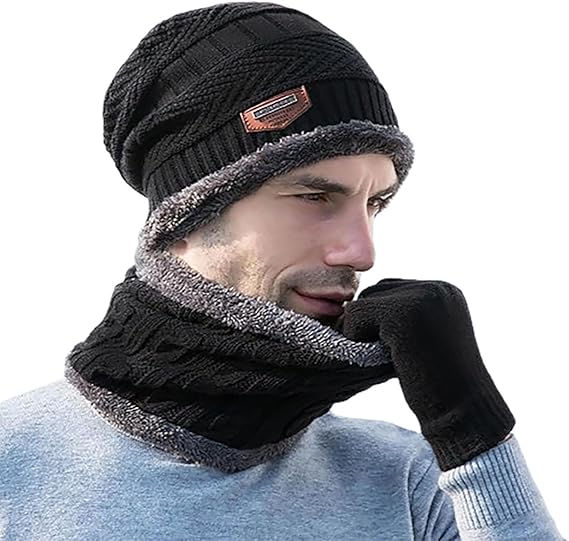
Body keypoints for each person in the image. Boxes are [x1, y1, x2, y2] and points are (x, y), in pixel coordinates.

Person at [0, 3, 564, 540]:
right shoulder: (13, 465)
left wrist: (471, 427)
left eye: (376, 203)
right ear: (185, 215)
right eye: (315, 196)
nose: (361, 252)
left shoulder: (408, 478)